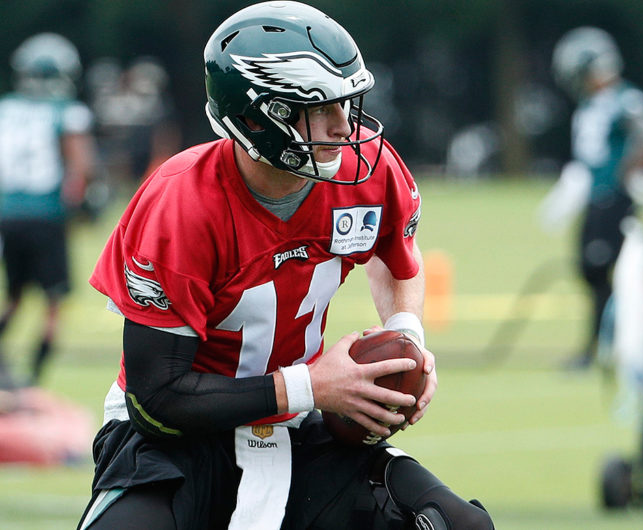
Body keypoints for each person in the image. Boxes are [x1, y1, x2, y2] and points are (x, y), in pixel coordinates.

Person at [77, 3, 493, 529]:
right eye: (322, 108)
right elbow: (157, 399)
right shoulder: (181, 203)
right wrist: (311, 385)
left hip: (296, 427)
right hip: (174, 441)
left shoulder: (368, 171)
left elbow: (394, 255)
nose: (344, 127)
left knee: (458, 524)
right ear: (258, 119)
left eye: (346, 104)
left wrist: (406, 336)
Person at [548, 26, 643, 370]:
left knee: (604, 272)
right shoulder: (594, 104)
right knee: (593, 272)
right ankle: (605, 346)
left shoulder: (625, 99)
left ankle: (602, 349)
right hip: (596, 200)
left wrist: (627, 173)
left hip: (614, 201)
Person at [0, 33, 96, 389]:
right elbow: (81, 168)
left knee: (14, 296)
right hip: (46, 215)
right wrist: (82, 204)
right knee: (53, 301)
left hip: (9, 214)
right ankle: (32, 380)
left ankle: (7, 373)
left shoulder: (7, 108)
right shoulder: (67, 111)